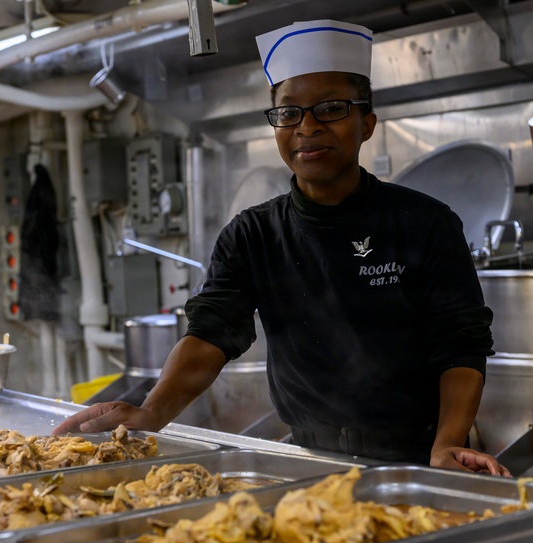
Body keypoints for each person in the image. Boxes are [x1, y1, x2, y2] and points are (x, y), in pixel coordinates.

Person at [55, 19, 509, 476]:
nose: (306, 127)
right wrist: (150, 413)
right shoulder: (252, 235)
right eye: (289, 113)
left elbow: (460, 346)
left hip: (419, 459)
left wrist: (447, 443)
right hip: (307, 458)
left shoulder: (425, 223)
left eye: (330, 109)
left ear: (366, 123)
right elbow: (210, 334)